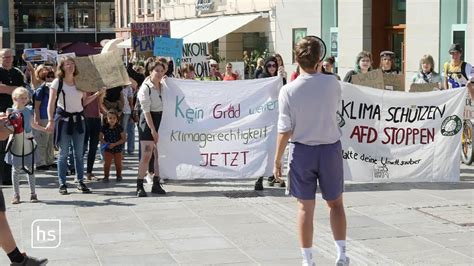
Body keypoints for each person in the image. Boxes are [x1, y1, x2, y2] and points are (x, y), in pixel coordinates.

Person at [273, 36, 349, 266]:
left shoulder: (288, 90)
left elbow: (285, 130)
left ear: (296, 59)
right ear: (319, 59)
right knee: (336, 204)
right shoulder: (334, 83)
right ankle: (341, 254)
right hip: (329, 148)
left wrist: (277, 160)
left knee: (305, 207)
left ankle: (308, 260)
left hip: (302, 150)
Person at [45, 57, 103, 195]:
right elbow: (51, 103)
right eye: (67, 64)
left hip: (79, 120)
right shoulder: (57, 82)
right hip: (64, 120)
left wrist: (96, 94)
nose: (70, 66)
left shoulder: (79, 82)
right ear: (62, 67)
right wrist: (50, 120)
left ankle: (80, 181)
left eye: (72, 64)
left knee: (79, 153)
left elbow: (84, 101)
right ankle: (62, 183)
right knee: (63, 154)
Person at [6, 87, 47, 204]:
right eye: (21, 98)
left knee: (31, 169)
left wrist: (44, 129)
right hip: (15, 141)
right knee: (15, 170)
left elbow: (32, 124)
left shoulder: (29, 110)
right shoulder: (10, 111)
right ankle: (16, 194)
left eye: (25, 98)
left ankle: (33, 193)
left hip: (28, 140)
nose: (24, 100)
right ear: (15, 98)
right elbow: (7, 126)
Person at [136, 58, 167, 197]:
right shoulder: (145, 88)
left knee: (159, 154)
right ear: (150, 71)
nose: (159, 73)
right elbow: (146, 111)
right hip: (149, 120)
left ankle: (156, 183)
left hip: (162, 119)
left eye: (162, 71)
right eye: (157, 71)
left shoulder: (164, 85)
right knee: (147, 154)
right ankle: (139, 185)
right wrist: (153, 130)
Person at [255, 56, 286, 190]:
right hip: (265, 118)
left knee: (277, 148)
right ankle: (259, 177)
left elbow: (285, 92)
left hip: (277, 118)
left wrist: (282, 78)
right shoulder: (263, 78)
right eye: (269, 66)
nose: (272, 68)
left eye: (274, 65)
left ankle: (274, 176)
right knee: (265, 149)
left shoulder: (280, 78)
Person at [0, 49, 26, 186]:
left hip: (16, 113)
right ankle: (3, 176)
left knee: (13, 145)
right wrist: (15, 90)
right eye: (5, 57)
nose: (8, 59)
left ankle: (9, 176)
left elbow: (24, 91)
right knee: (2, 145)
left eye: (10, 56)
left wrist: (10, 89)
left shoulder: (17, 73)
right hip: (1, 113)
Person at [33, 67, 56, 171]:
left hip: (51, 117)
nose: (50, 78)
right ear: (44, 77)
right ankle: (40, 162)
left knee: (50, 142)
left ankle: (49, 161)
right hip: (42, 117)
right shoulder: (40, 89)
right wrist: (37, 119)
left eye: (52, 76)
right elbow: (36, 106)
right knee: (42, 141)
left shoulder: (53, 88)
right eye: (48, 76)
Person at [99, 110, 125, 182]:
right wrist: (106, 143)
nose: (112, 120)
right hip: (108, 148)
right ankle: (106, 176)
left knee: (118, 163)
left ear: (117, 119)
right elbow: (100, 137)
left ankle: (119, 176)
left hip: (118, 148)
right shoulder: (104, 127)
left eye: (114, 118)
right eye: (110, 118)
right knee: (107, 163)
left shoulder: (119, 127)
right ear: (107, 119)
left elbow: (123, 139)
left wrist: (115, 144)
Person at [83, 90, 102, 181]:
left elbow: (100, 105)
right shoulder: (84, 87)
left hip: (96, 119)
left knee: (93, 148)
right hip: (86, 118)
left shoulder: (99, 89)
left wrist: (108, 113)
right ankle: (78, 173)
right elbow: (84, 102)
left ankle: (89, 172)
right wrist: (96, 94)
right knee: (82, 147)